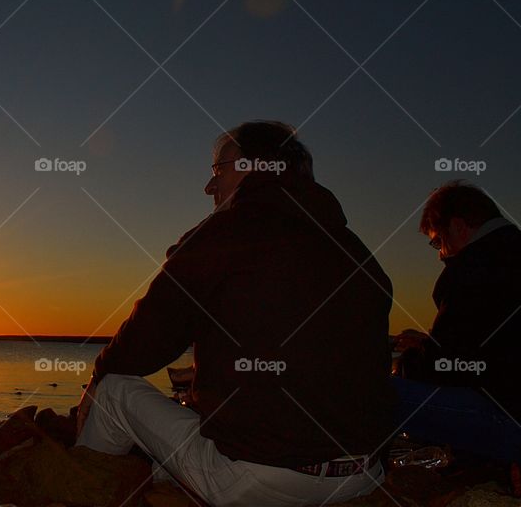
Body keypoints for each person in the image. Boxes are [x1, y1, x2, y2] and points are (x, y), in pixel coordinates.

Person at [75, 121, 395, 506]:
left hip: (263, 478)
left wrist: (96, 378)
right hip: (364, 474)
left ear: (250, 166)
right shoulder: (358, 253)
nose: (210, 186)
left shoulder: (223, 234)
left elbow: (143, 343)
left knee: (114, 389)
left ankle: (79, 489)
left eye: (218, 170)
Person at [391, 181, 521, 463]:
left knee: (375, 391)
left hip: (507, 421)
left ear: (458, 227)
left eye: (438, 241)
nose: (440, 254)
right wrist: (430, 343)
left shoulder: (472, 267)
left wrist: (409, 359)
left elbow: (442, 369)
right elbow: (488, 346)